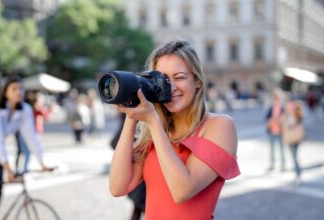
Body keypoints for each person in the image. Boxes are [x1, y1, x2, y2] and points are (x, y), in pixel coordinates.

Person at [109, 39, 240, 219]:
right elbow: (117, 187)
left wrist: (154, 122)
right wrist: (131, 117)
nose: (170, 87)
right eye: (162, 79)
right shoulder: (154, 132)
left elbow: (182, 190)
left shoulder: (219, 126)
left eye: (179, 77)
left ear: (198, 81)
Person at [0, 77, 53, 220]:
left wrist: (42, 163)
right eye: (14, 89)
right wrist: (8, 168)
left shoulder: (24, 110)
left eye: (21, 89)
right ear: (6, 93)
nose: (19, 92)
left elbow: (31, 137)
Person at [282, 99, 305, 184]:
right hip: (289, 139)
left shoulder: (297, 115)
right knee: (294, 157)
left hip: (296, 139)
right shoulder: (286, 115)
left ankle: (298, 173)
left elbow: (300, 127)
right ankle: (298, 172)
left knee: (295, 157)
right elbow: (283, 124)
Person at [265, 89, 285, 172]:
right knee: (272, 149)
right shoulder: (271, 107)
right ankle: (272, 164)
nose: (275, 99)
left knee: (281, 149)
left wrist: (279, 120)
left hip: (280, 131)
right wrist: (271, 120)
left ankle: (283, 165)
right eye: (274, 98)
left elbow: (285, 119)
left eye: (277, 97)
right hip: (272, 130)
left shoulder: (282, 108)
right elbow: (266, 118)